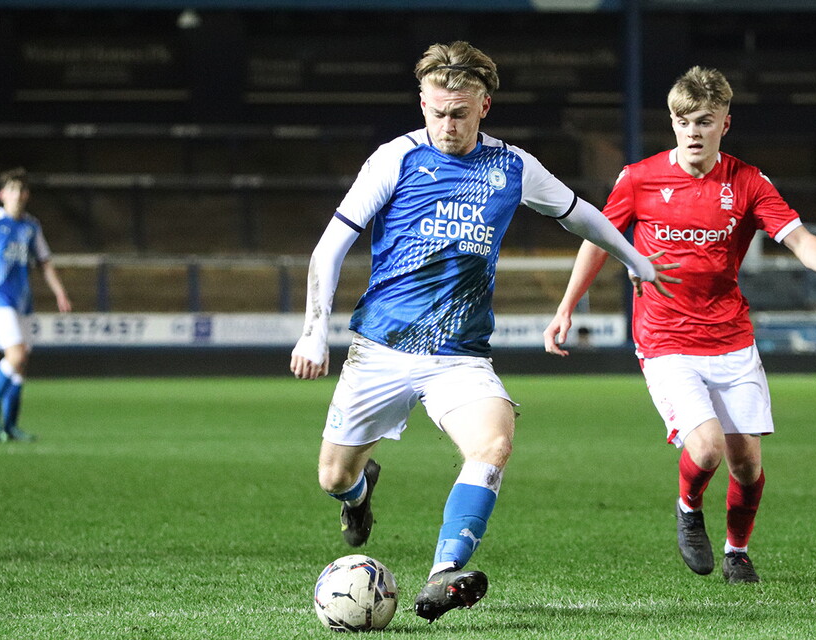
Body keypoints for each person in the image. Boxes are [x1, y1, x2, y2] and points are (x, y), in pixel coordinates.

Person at [290, 41, 678, 622]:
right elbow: (330, 247)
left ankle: (444, 573)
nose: (447, 125)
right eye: (437, 112)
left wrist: (636, 259)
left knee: (493, 444)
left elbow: (578, 213)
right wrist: (314, 332)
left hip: (460, 355)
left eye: (460, 113)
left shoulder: (513, 167)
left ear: (484, 107)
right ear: (422, 103)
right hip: (381, 349)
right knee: (332, 475)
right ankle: (358, 493)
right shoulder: (395, 159)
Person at [543, 66, 816, 584]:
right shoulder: (638, 178)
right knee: (707, 447)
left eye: (704, 121)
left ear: (724, 124)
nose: (693, 132)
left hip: (731, 338)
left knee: (747, 465)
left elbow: (798, 236)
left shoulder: (748, 182)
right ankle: (689, 508)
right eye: (683, 121)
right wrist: (566, 306)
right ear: (672, 122)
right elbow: (596, 241)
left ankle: (737, 551)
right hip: (665, 340)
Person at [0, 167, 72, 442]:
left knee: (21, 365)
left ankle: (10, 425)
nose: (18, 194)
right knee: (16, 355)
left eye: (22, 190)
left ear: (27, 195)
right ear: (3, 194)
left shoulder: (31, 226)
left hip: (23, 301)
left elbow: (45, 263)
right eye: (12, 189)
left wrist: (60, 293)